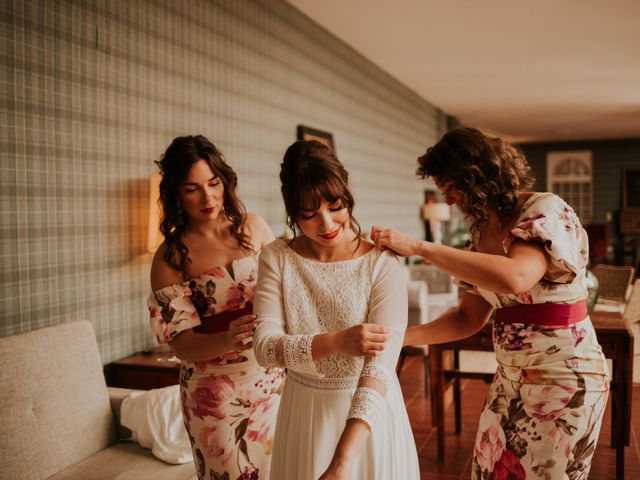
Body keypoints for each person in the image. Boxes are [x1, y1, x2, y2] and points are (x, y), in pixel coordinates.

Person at [371, 127, 610, 479]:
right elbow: (467, 318)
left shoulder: (544, 210)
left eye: (452, 188)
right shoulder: (479, 234)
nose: (449, 201)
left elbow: (517, 276)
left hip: (564, 379)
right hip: (509, 381)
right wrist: (398, 337)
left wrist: (420, 248)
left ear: (479, 175)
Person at [253, 140, 420, 480]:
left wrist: (342, 461)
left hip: (368, 420)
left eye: (336, 206)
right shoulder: (277, 258)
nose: (327, 223)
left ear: (347, 197)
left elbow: (380, 371)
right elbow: (265, 348)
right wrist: (335, 342)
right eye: (309, 214)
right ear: (293, 212)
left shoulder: (381, 264)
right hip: (304, 413)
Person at [147, 135, 285, 480]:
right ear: (177, 193)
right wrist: (227, 338)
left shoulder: (254, 226)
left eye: (213, 183)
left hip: (273, 378)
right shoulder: (170, 256)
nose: (208, 197)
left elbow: (287, 289)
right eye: (193, 188)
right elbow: (180, 344)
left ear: (225, 181)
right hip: (214, 394)